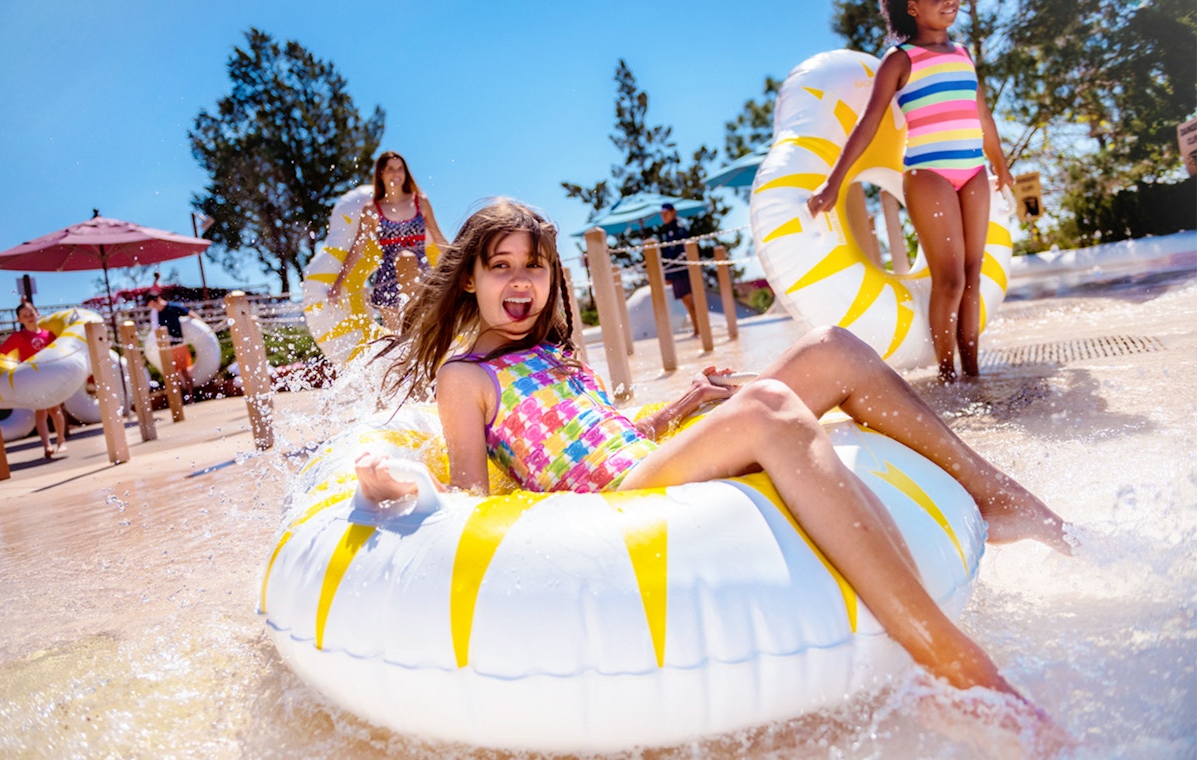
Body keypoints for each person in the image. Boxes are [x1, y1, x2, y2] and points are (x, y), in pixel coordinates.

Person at [352, 199, 1072, 737]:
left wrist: (683, 406)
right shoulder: (465, 376)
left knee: (831, 346)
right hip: (614, 498)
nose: (520, 282)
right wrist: (398, 487)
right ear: (470, 279)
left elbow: (603, 431)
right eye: (500, 266)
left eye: (534, 266)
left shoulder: (553, 350)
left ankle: (1000, 498)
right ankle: (950, 663)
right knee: (770, 408)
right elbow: (473, 496)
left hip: (640, 459)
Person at [806, 0, 1014, 384]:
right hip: (927, 173)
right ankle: (947, 375)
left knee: (972, 274)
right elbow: (869, 122)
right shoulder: (900, 59)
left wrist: (1000, 166)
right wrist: (833, 182)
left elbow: (981, 114)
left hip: (974, 172)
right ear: (913, 7)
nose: (951, 2)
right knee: (949, 279)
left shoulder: (964, 54)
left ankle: (973, 373)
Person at [327, 150, 448, 331]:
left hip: (420, 276)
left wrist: (463, 265)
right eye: (390, 169)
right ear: (381, 173)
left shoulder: (420, 202)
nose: (396, 173)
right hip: (388, 281)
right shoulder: (372, 210)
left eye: (400, 169)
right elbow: (358, 248)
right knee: (399, 341)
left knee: (422, 335)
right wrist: (338, 283)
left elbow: (438, 239)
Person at [0, 300, 68, 458]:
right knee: (40, 412)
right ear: (19, 320)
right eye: (24, 316)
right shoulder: (18, 337)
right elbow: (0, 352)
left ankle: (61, 440)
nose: (29, 317)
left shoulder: (49, 335)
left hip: (49, 377)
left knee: (55, 409)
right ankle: (47, 445)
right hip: (33, 378)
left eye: (31, 314)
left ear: (37, 314)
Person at [145, 292, 200, 402]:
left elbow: (190, 313)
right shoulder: (156, 314)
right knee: (173, 374)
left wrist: (203, 326)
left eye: (152, 304)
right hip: (166, 347)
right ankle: (179, 399)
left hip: (179, 344)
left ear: (156, 300)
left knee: (184, 372)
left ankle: (191, 396)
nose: (152, 307)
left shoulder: (172, 307)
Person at [656, 202, 698, 336]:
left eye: (666, 213)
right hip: (675, 272)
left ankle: (699, 328)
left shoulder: (679, 228)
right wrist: (668, 274)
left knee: (690, 300)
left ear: (673, 212)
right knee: (686, 301)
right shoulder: (667, 231)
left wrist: (670, 272)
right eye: (662, 214)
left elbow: (681, 252)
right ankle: (698, 328)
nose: (663, 216)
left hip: (682, 271)